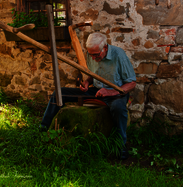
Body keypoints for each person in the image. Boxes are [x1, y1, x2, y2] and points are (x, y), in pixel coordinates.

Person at [40, 32, 136, 160]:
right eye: (91, 54)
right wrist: (86, 82)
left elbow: (131, 83)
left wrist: (111, 92)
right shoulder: (92, 54)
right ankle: (43, 130)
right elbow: (93, 74)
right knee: (59, 93)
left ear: (105, 48)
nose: (93, 58)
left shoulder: (119, 55)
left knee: (118, 108)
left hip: (117, 93)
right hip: (96, 90)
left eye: (96, 55)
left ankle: (120, 146)